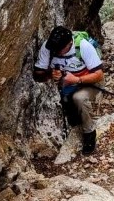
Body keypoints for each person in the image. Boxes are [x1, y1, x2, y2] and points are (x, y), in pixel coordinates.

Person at [33, 26, 105, 154]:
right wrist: (50, 74)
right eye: (55, 49)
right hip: (68, 84)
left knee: (79, 98)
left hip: (91, 82)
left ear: (69, 43)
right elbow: (37, 76)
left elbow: (99, 75)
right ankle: (76, 124)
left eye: (60, 49)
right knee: (65, 101)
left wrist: (77, 79)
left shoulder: (83, 46)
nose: (56, 52)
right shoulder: (48, 47)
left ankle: (89, 133)